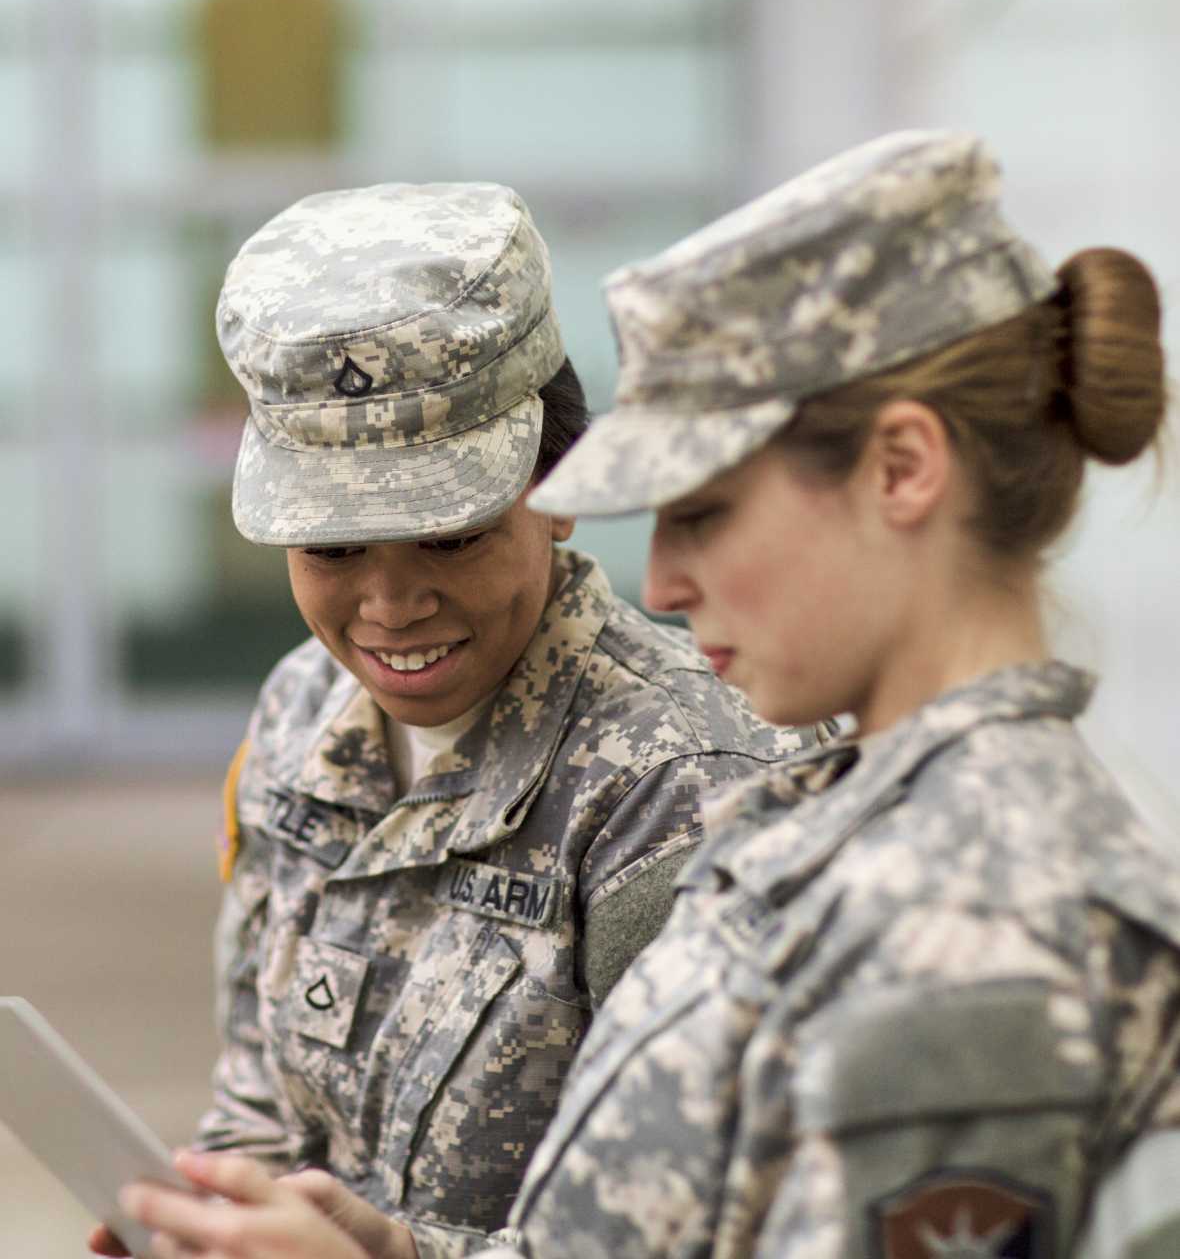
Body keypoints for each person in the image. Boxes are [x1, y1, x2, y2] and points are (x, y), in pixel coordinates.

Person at [117, 130, 1180, 1259]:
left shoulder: (979, 919)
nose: (662, 580)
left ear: (902, 470)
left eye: (706, 510)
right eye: (332, 545)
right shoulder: (826, 832)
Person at [91, 180, 824, 1259]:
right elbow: (260, 1093)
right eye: (333, 548)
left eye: (447, 536)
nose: (390, 607)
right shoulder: (301, 712)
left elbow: (724, 1234)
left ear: (559, 482)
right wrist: (207, 1215)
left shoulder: (689, 786)